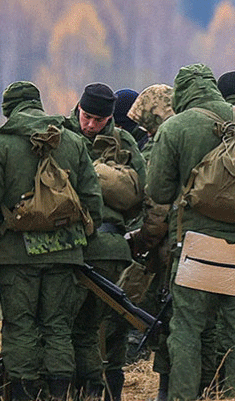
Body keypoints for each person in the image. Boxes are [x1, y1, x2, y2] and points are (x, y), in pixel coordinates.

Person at [146, 64, 235, 401]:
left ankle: (182, 396)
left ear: (182, 91)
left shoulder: (175, 126)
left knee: (186, 328)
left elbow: (158, 190)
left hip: (194, 242)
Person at [0, 81, 103, 401]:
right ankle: (59, 393)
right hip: (65, 255)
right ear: (38, 104)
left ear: (9, 110)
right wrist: (78, 241)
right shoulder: (72, 141)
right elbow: (93, 203)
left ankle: (25, 393)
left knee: (20, 326)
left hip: (16, 257)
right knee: (57, 327)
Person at [65, 83, 145, 400]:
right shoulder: (58, 133)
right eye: (86, 117)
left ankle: (104, 391)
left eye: (99, 120)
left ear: (110, 118)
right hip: (67, 243)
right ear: (78, 110)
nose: (90, 125)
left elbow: (142, 193)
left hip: (107, 245)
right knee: (69, 326)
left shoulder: (124, 141)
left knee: (106, 326)